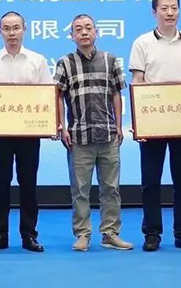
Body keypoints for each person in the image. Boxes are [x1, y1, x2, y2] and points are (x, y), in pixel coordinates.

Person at [129, 0, 181, 252]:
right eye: (164, 8)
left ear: (179, 11)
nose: (170, 13)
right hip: (152, 123)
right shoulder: (142, 43)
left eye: (174, 8)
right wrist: (138, 122)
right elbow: (138, 82)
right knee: (151, 181)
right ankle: (152, 234)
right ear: (154, 13)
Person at [54, 14, 133, 252]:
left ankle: (110, 233)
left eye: (88, 28)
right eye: (78, 29)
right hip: (78, 136)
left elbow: (117, 93)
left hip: (108, 134)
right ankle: (82, 234)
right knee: (80, 190)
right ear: (72, 36)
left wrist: (119, 125)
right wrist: (61, 126)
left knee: (111, 188)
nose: (84, 32)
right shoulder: (65, 63)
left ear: (96, 32)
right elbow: (57, 96)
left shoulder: (110, 60)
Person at [0, 11, 50, 253]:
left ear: (24, 29)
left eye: (16, 27)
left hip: (29, 134)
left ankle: (29, 235)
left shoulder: (37, 61)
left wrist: (50, 124)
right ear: (0, 32)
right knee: (0, 186)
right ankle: (0, 235)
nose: (12, 33)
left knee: (29, 185)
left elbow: (48, 95)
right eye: (6, 28)